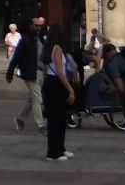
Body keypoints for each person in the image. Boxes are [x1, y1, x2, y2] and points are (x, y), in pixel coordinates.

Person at [40, 23, 77, 162]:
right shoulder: (57, 49)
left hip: (50, 82)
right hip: (56, 83)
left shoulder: (47, 48)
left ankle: (60, 148)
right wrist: (70, 89)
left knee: (58, 119)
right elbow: (60, 72)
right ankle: (53, 153)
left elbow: (46, 70)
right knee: (56, 120)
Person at [6, 14, 46, 135]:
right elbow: (16, 57)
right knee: (37, 98)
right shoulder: (25, 40)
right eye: (36, 26)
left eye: (40, 26)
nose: (38, 28)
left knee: (32, 99)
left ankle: (20, 118)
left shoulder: (42, 40)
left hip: (41, 73)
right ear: (31, 26)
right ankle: (41, 126)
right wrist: (9, 73)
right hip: (30, 73)